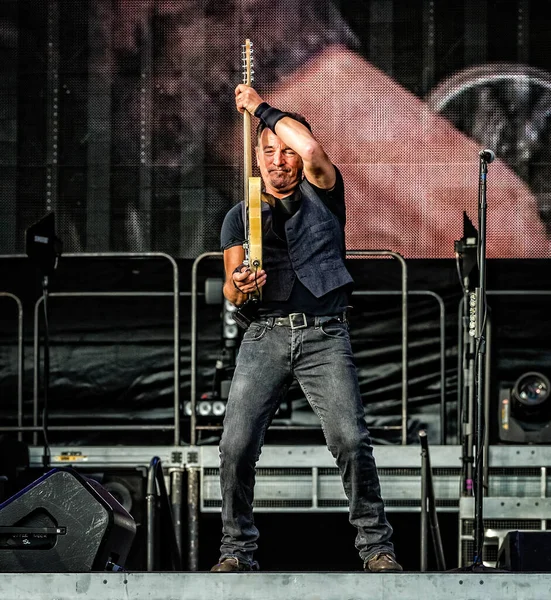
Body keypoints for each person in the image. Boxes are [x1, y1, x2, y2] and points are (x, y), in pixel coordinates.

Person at [210, 83, 402, 573]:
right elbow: (233, 293)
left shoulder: (324, 192)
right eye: (268, 152)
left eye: (286, 150)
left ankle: (376, 547)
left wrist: (258, 108)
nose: (280, 160)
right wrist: (240, 282)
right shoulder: (241, 215)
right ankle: (236, 552)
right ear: (257, 160)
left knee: (351, 441)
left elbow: (313, 149)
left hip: (324, 334)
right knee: (235, 446)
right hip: (264, 335)